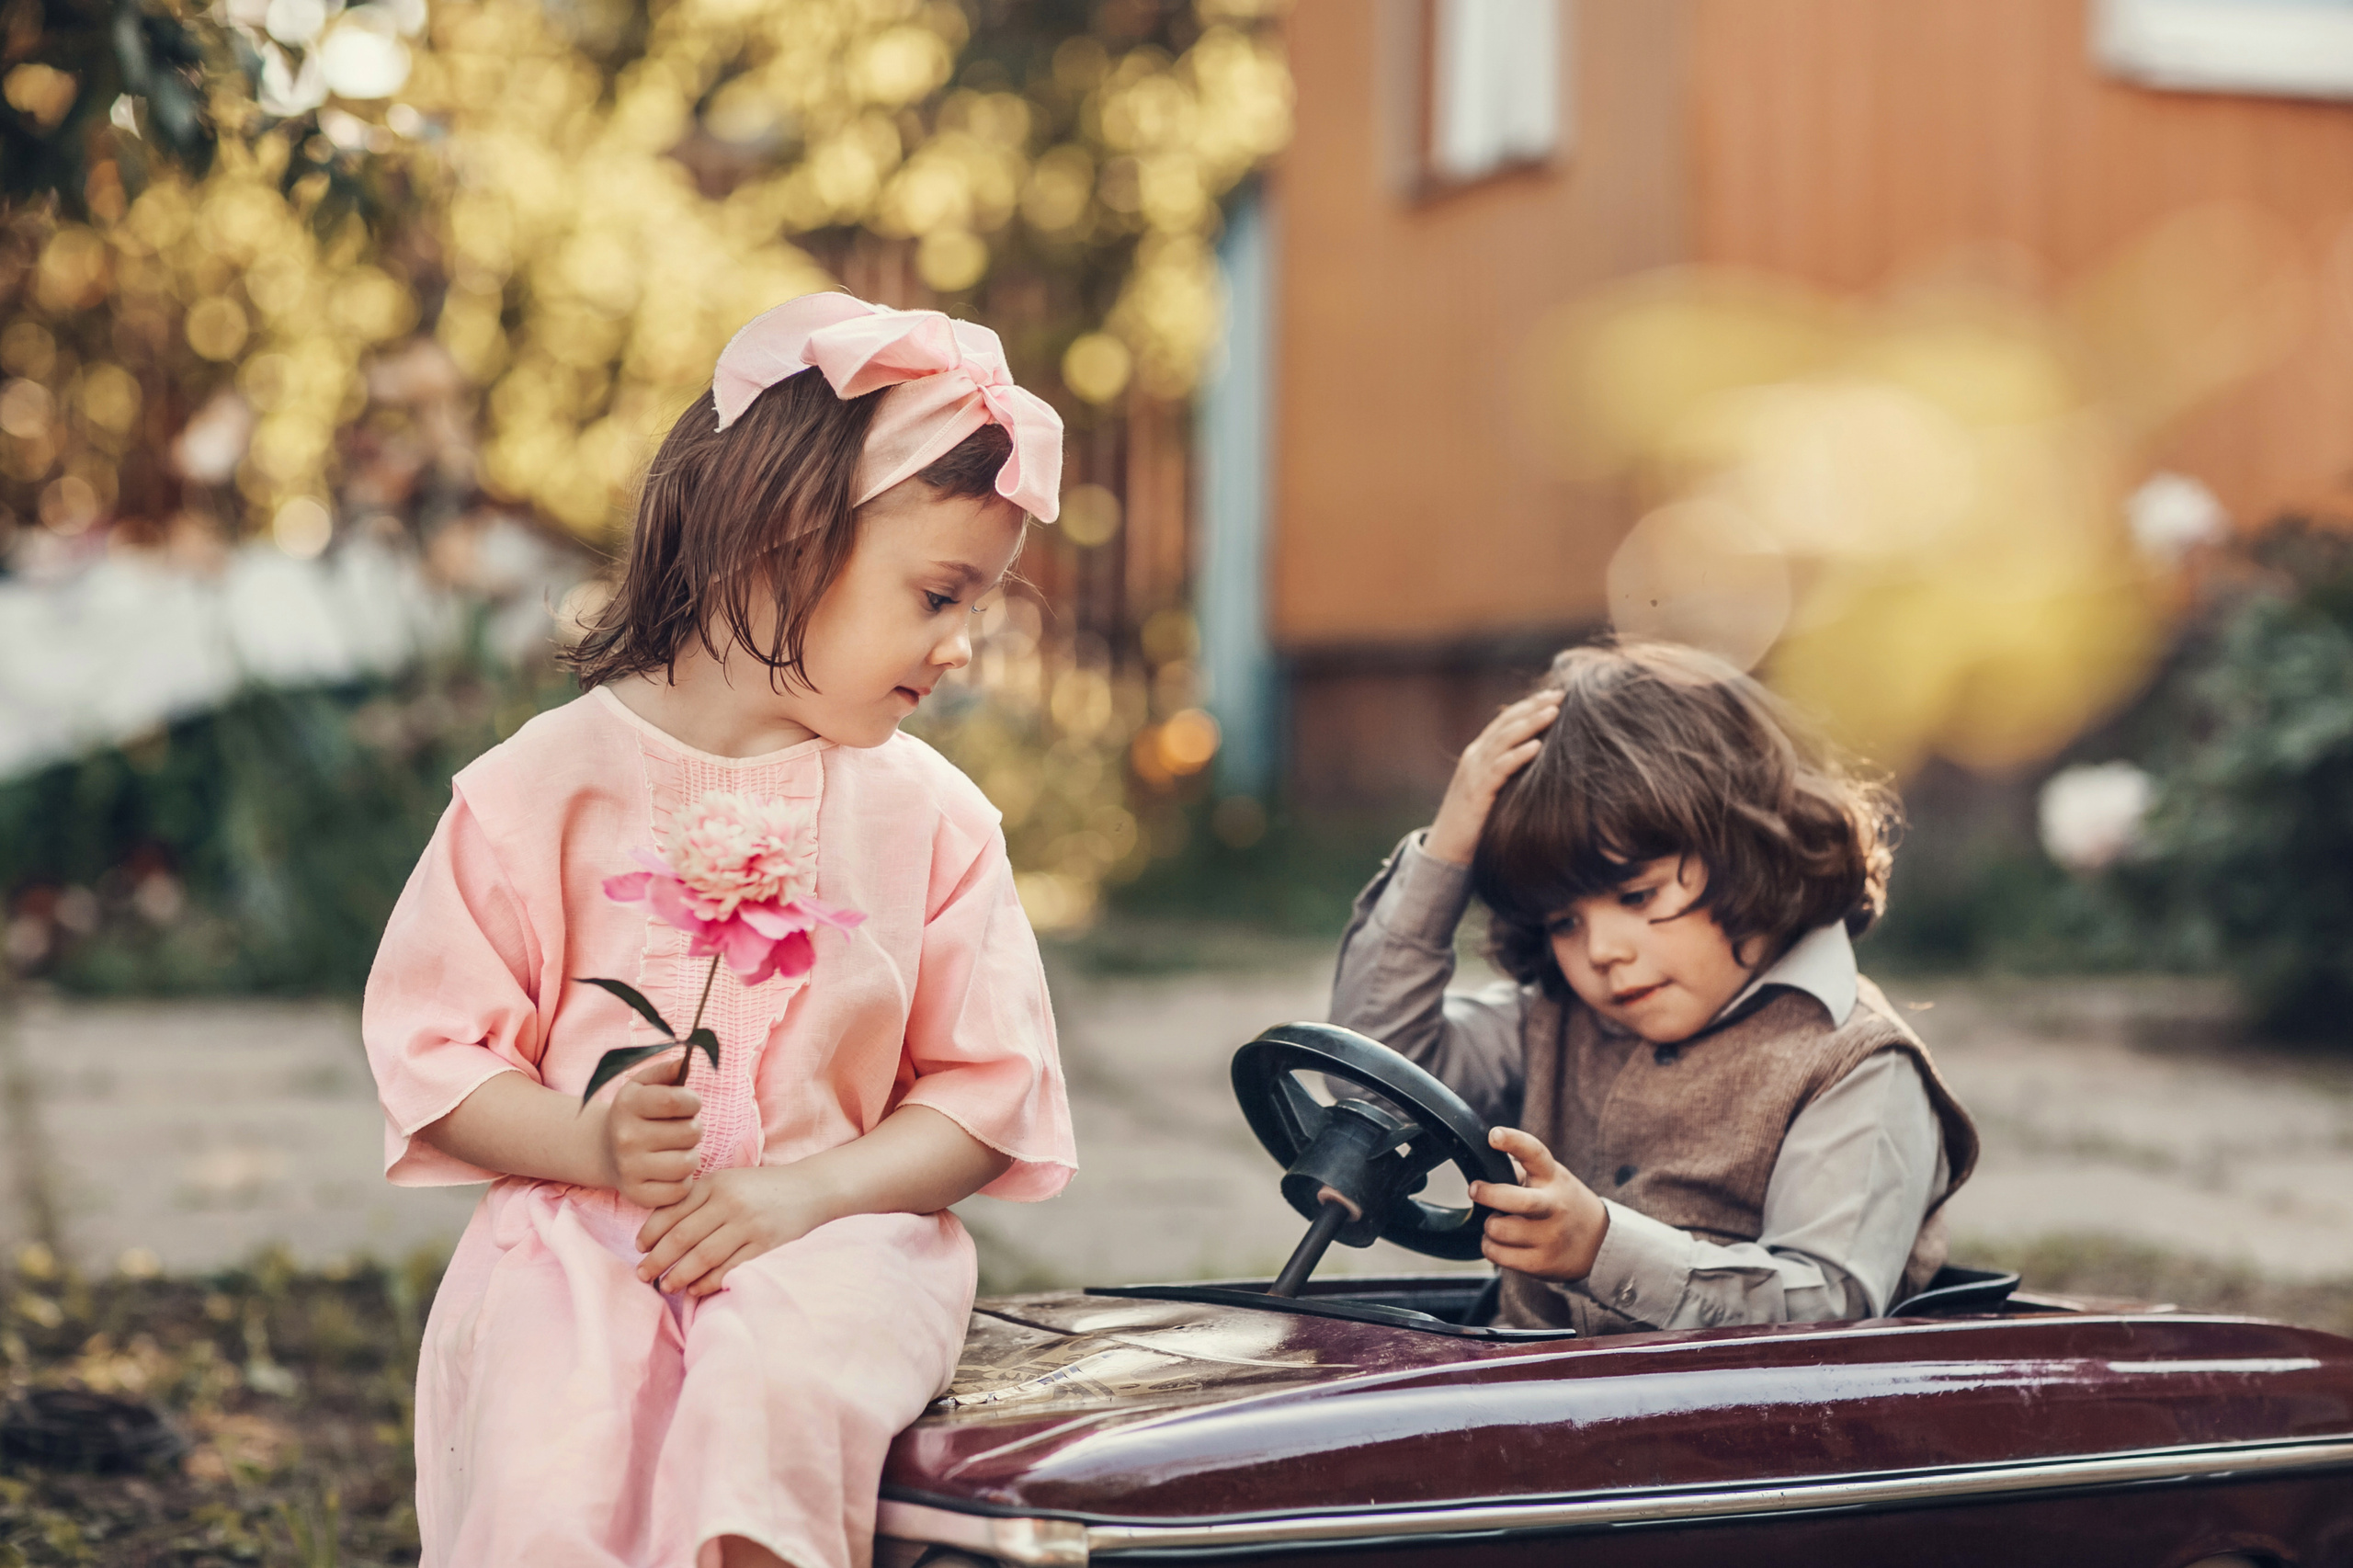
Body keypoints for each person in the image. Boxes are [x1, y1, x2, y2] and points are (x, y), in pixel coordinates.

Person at [361, 291, 1077, 1567]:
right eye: (936, 593)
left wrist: (808, 1192)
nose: (961, 644)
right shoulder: (538, 791)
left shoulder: (934, 821)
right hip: (587, 1232)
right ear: (782, 540)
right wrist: (585, 1139)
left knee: (776, 1390)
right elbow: (432, 1056)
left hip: (838, 1233)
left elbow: (986, 1096)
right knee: (552, 1431)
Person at [1330, 639, 1978, 1335]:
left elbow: (1827, 1305)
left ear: (1751, 849)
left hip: (1733, 1434)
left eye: (1638, 896)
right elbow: (1373, 1078)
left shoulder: (1857, 1066)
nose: (1602, 951)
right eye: (1564, 921)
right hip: (1523, 1410)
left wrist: (1604, 1250)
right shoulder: (1555, 1020)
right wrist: (1446, 852)